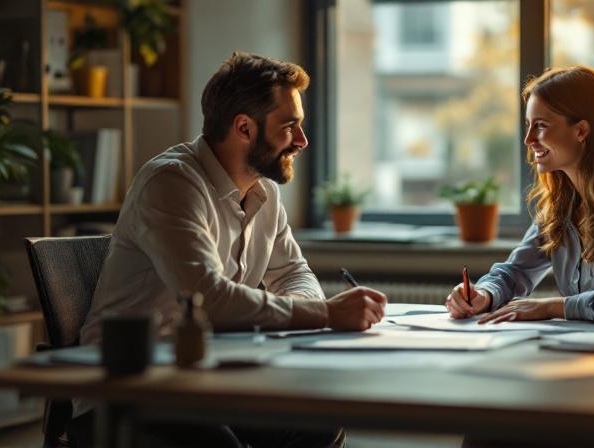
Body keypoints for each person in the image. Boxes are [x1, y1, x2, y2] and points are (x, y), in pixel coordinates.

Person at [70, 52, 387, 447]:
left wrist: (303, 308)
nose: (302, 141)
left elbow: (294, 274)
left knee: (318, 421)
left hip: (209, 377)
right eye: (290, 127)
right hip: (128, 388)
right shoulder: (172, 182)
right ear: (244, 128)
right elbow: (208, 300)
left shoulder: (264, 192)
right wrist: (325, 312)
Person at [445, 65, 594, 325]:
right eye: (528, 125)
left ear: (581, 130)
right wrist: (484, 293)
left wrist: (552, 307)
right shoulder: (562, 202)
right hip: (588, 351)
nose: (528, 139)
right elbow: (515, 271)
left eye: (540, 126)